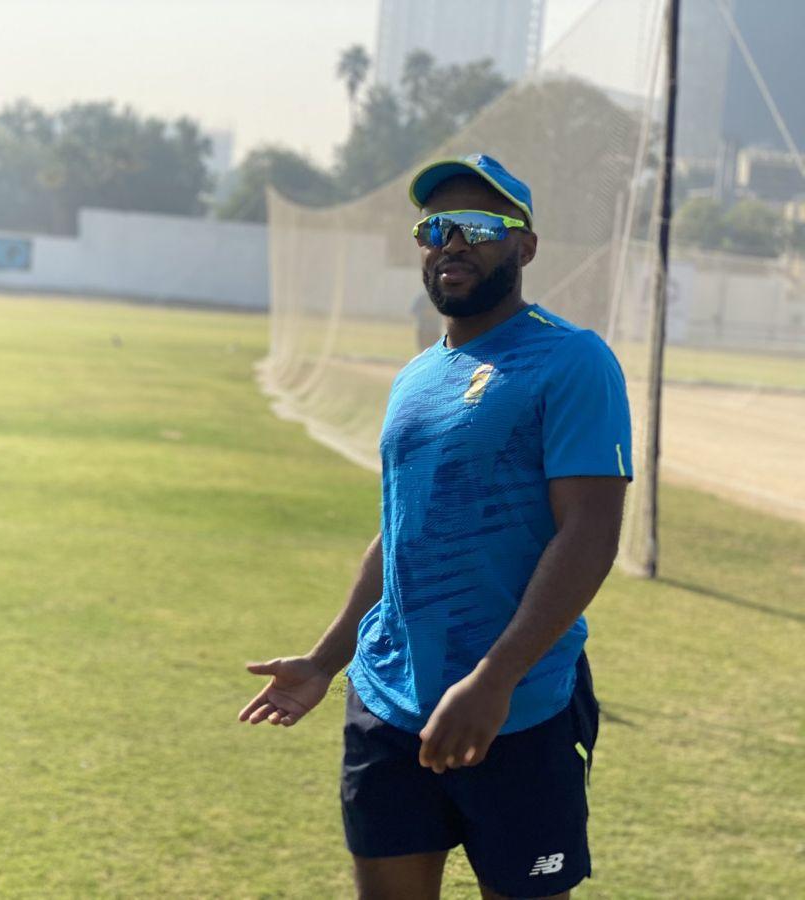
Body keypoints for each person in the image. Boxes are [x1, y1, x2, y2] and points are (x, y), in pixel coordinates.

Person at [240, 154, 632, 900]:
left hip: (520, 709)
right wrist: (326, 662)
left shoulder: (572, 360)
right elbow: (400, 534)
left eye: (480, 226)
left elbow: (589, 535)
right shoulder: (416, 376)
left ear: (525, 246)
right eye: (434, 228)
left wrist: (494, 679)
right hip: (387, 699)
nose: (452, 242)